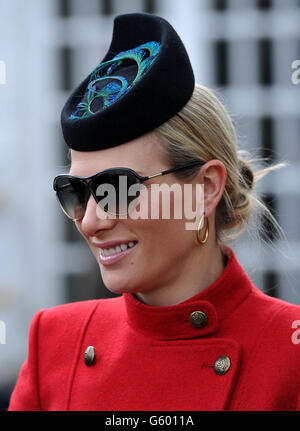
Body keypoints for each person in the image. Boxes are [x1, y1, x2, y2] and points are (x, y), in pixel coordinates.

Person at [8, 13, 300, 411]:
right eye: (75, 191)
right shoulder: (56, 343)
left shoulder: (289, 353)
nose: (91, 221)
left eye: (119, 188)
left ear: (205, 188)